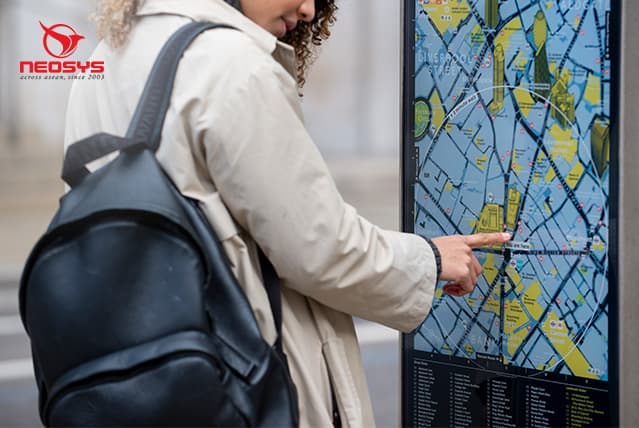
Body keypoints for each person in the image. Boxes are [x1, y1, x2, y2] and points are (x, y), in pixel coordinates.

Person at [64, 0, 511, 426]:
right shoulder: (231, 64)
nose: (310, 11)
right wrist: (429, 259)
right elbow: (318, 246)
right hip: (245, 385)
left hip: (141, 380)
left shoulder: (106, 56)